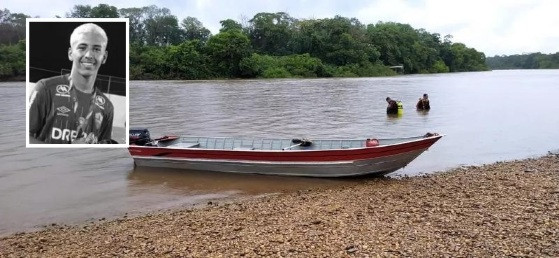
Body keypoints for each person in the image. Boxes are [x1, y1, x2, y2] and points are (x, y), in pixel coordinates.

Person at [29, 23, 114, 144]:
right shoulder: (45, 89)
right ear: (70, 53)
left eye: (96, 49)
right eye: (82, 47)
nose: (89, 55)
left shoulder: (107, 107)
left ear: (104, 57)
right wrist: (68, 151)